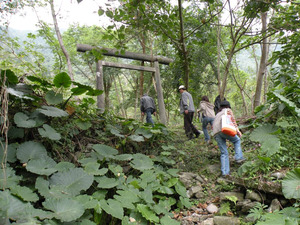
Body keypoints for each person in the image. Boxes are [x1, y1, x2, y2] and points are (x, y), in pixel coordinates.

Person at [212, 100, 246, 177]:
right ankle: (238, 157)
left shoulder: (217, 114)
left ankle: (225, 173)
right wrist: (238, 131)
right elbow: (233, 121)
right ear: (228, 106)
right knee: (237, 140)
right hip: (224, 129)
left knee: (224, 153)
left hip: (216, 133)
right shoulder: (228, 110)